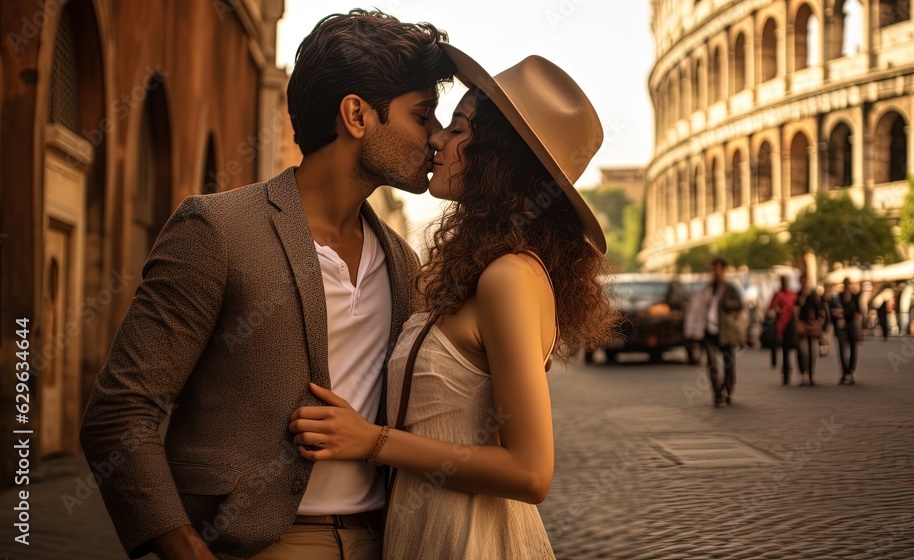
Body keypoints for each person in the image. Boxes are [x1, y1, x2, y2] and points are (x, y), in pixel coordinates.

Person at [78, 11, 455, 560]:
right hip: (259, 543)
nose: (437, 136)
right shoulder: (218, 230)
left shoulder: (401, 261)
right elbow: (119, 411)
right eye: (423, 115)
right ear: (356, 115)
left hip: (383, 539)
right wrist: (182, 547)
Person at [286, 45, 616, 558]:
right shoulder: (475, 269)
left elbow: (531, 473)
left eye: (459, 128)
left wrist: (371, 441)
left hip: (473, 542)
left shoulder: (509, 276)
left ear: (500, 158)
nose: (437, 137)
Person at [684, 257, 746, 406]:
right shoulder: (708, 289)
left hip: (726, 332)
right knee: (711, 364)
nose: (714, 271)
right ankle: (717, 393)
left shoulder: (730, 288)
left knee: (728, 364)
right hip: (709, 331)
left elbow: (739, 304)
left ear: (722, 269)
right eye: (712, 268)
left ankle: (728, 390)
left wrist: (725, 303)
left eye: (717, 268)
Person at [767, 276, 799, 385]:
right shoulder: (778, 295)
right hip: (782, 326)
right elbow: (771, 308)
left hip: (791, 325)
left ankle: (800, 371)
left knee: (793, 348)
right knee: (785, 351)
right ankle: (786, 373)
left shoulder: (792, 294)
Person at [830, 278, 862, 385]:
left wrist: (858, 325)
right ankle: (845, 371)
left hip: (851, 324)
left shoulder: (854, 296)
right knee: (842, 349)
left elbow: (858, 311)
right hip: (841, 325)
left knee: (853, 348)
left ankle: (850, 371)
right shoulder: (838, 297)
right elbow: (832, 310)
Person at [796, 275, 826, 386]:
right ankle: (804, 373)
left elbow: (820, 309)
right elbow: (796, 311)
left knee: (812, 353)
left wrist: (818, 323)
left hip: (812, 328)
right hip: (802, 327)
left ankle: (810, 375)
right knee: (803, 351)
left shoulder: (813, 296)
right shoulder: (799, 295)